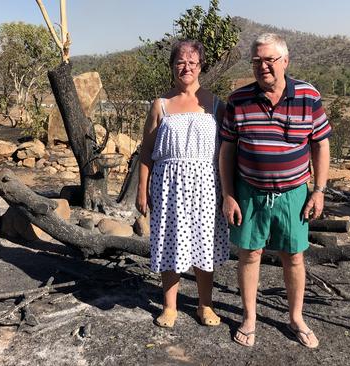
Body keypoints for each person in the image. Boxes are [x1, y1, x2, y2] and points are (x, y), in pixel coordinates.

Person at [219, 33, 331, 348]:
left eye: (269, 60)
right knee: (249, 254)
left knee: (294, 257)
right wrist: (229, 194)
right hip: (249, 191)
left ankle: (296, 317)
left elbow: (320, 145)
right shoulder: (239, 100)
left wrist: (319, 189)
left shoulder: (308, 96)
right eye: (256, 61)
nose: (263, 66)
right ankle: (249, 317)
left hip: (294, 192)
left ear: (285, 61)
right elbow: (227, 151)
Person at [137, 39, 229, 328]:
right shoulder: (160, 105)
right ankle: (170, 306)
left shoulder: (215, 104)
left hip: (205, 185)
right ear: (172, 67)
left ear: (201, 66)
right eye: (180, 62)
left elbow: (226, 152)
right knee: (168, 242)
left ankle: (205, 305)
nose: (186, 67)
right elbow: (146, 151)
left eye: (192, 62)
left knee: (205, 243)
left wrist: (229, 192)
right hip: (167, 186)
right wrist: (142, 189)